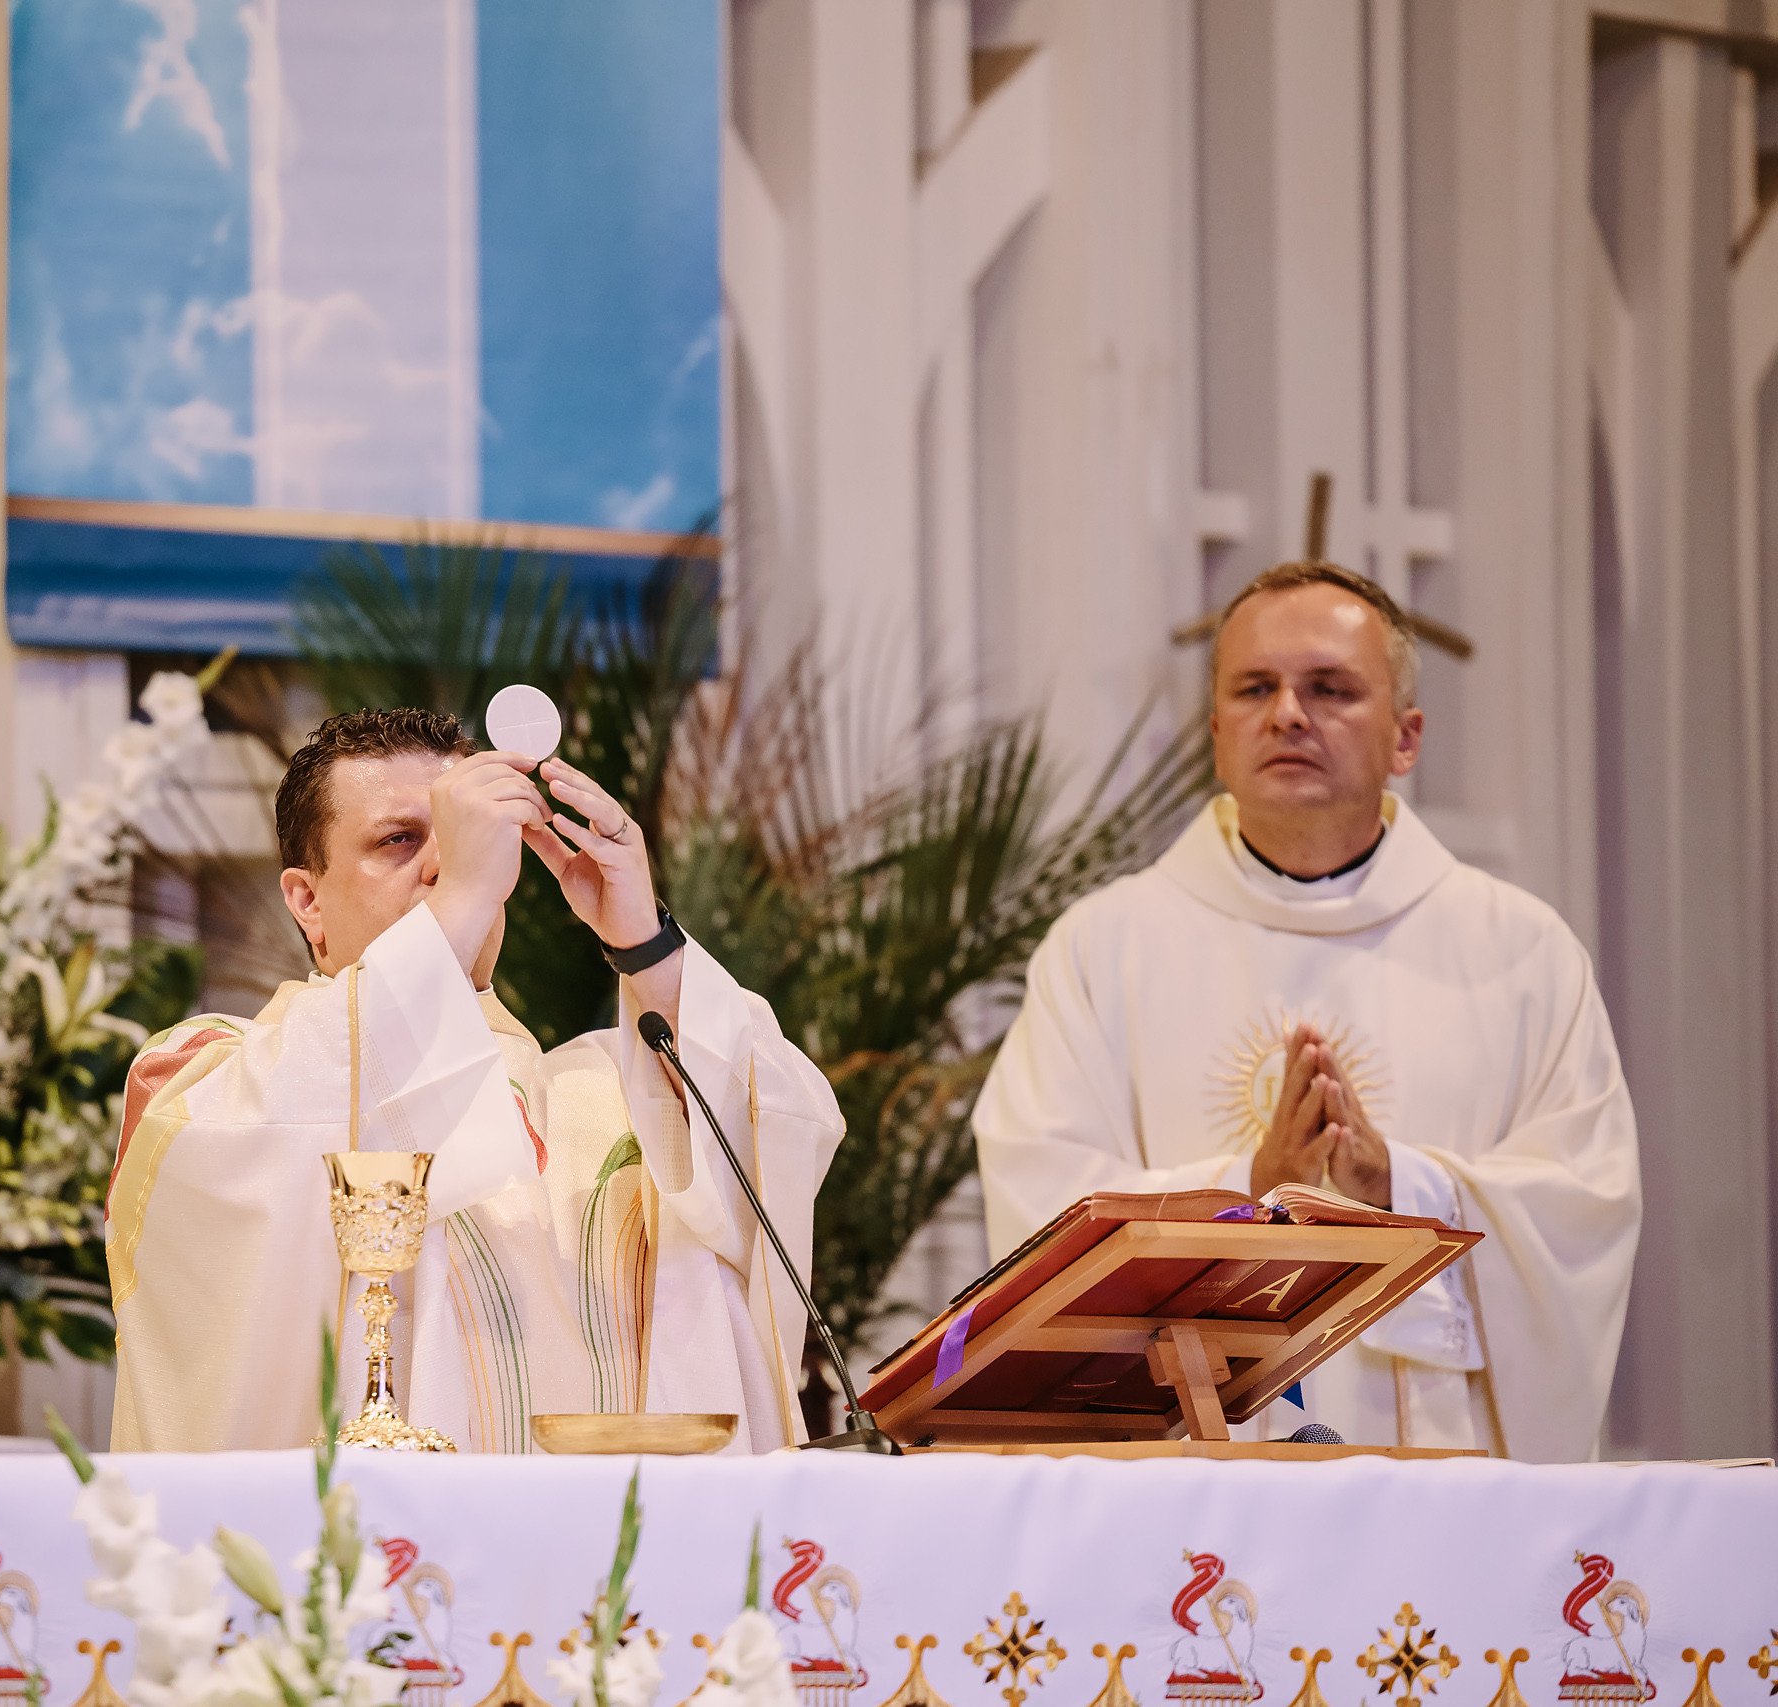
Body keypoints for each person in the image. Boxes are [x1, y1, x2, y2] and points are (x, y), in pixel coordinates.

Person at [972, 562, 1640, 1457]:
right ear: (1216, 732)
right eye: (1256, 688)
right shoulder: (1102, 949)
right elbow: (1035, 1203)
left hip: (1444, 1489)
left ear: (1406, 738)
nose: (1288, 712)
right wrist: (1245, 1188)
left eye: (1329, 688)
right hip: (1188, 1492)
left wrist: (1396, 1186)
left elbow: (1583, 1207)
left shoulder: (1521, 952)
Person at [106, 708, 844, 1453]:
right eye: (399, 840)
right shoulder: (207, 1074)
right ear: (307, 900)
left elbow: (774, 1124)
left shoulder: (615, 1089)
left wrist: (646, 945)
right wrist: (456, 898)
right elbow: (260, 1153)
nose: (442, 864)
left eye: (465, 838)